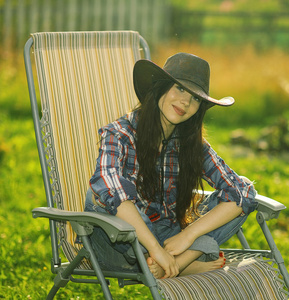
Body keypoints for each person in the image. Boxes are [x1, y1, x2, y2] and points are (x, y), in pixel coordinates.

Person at [84, 52, 258, 279]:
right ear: (160, 88)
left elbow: (242, 192)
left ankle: (173, 263)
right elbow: (110, 188)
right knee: (103, 193)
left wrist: (187, 236)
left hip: (170, 238)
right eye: (180, 89)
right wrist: (157, 250)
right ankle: (184, 260)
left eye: (196, 98)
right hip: (119, 246)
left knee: (240, 196)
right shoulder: (119, 133)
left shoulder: (191, 145)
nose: (186, 102)